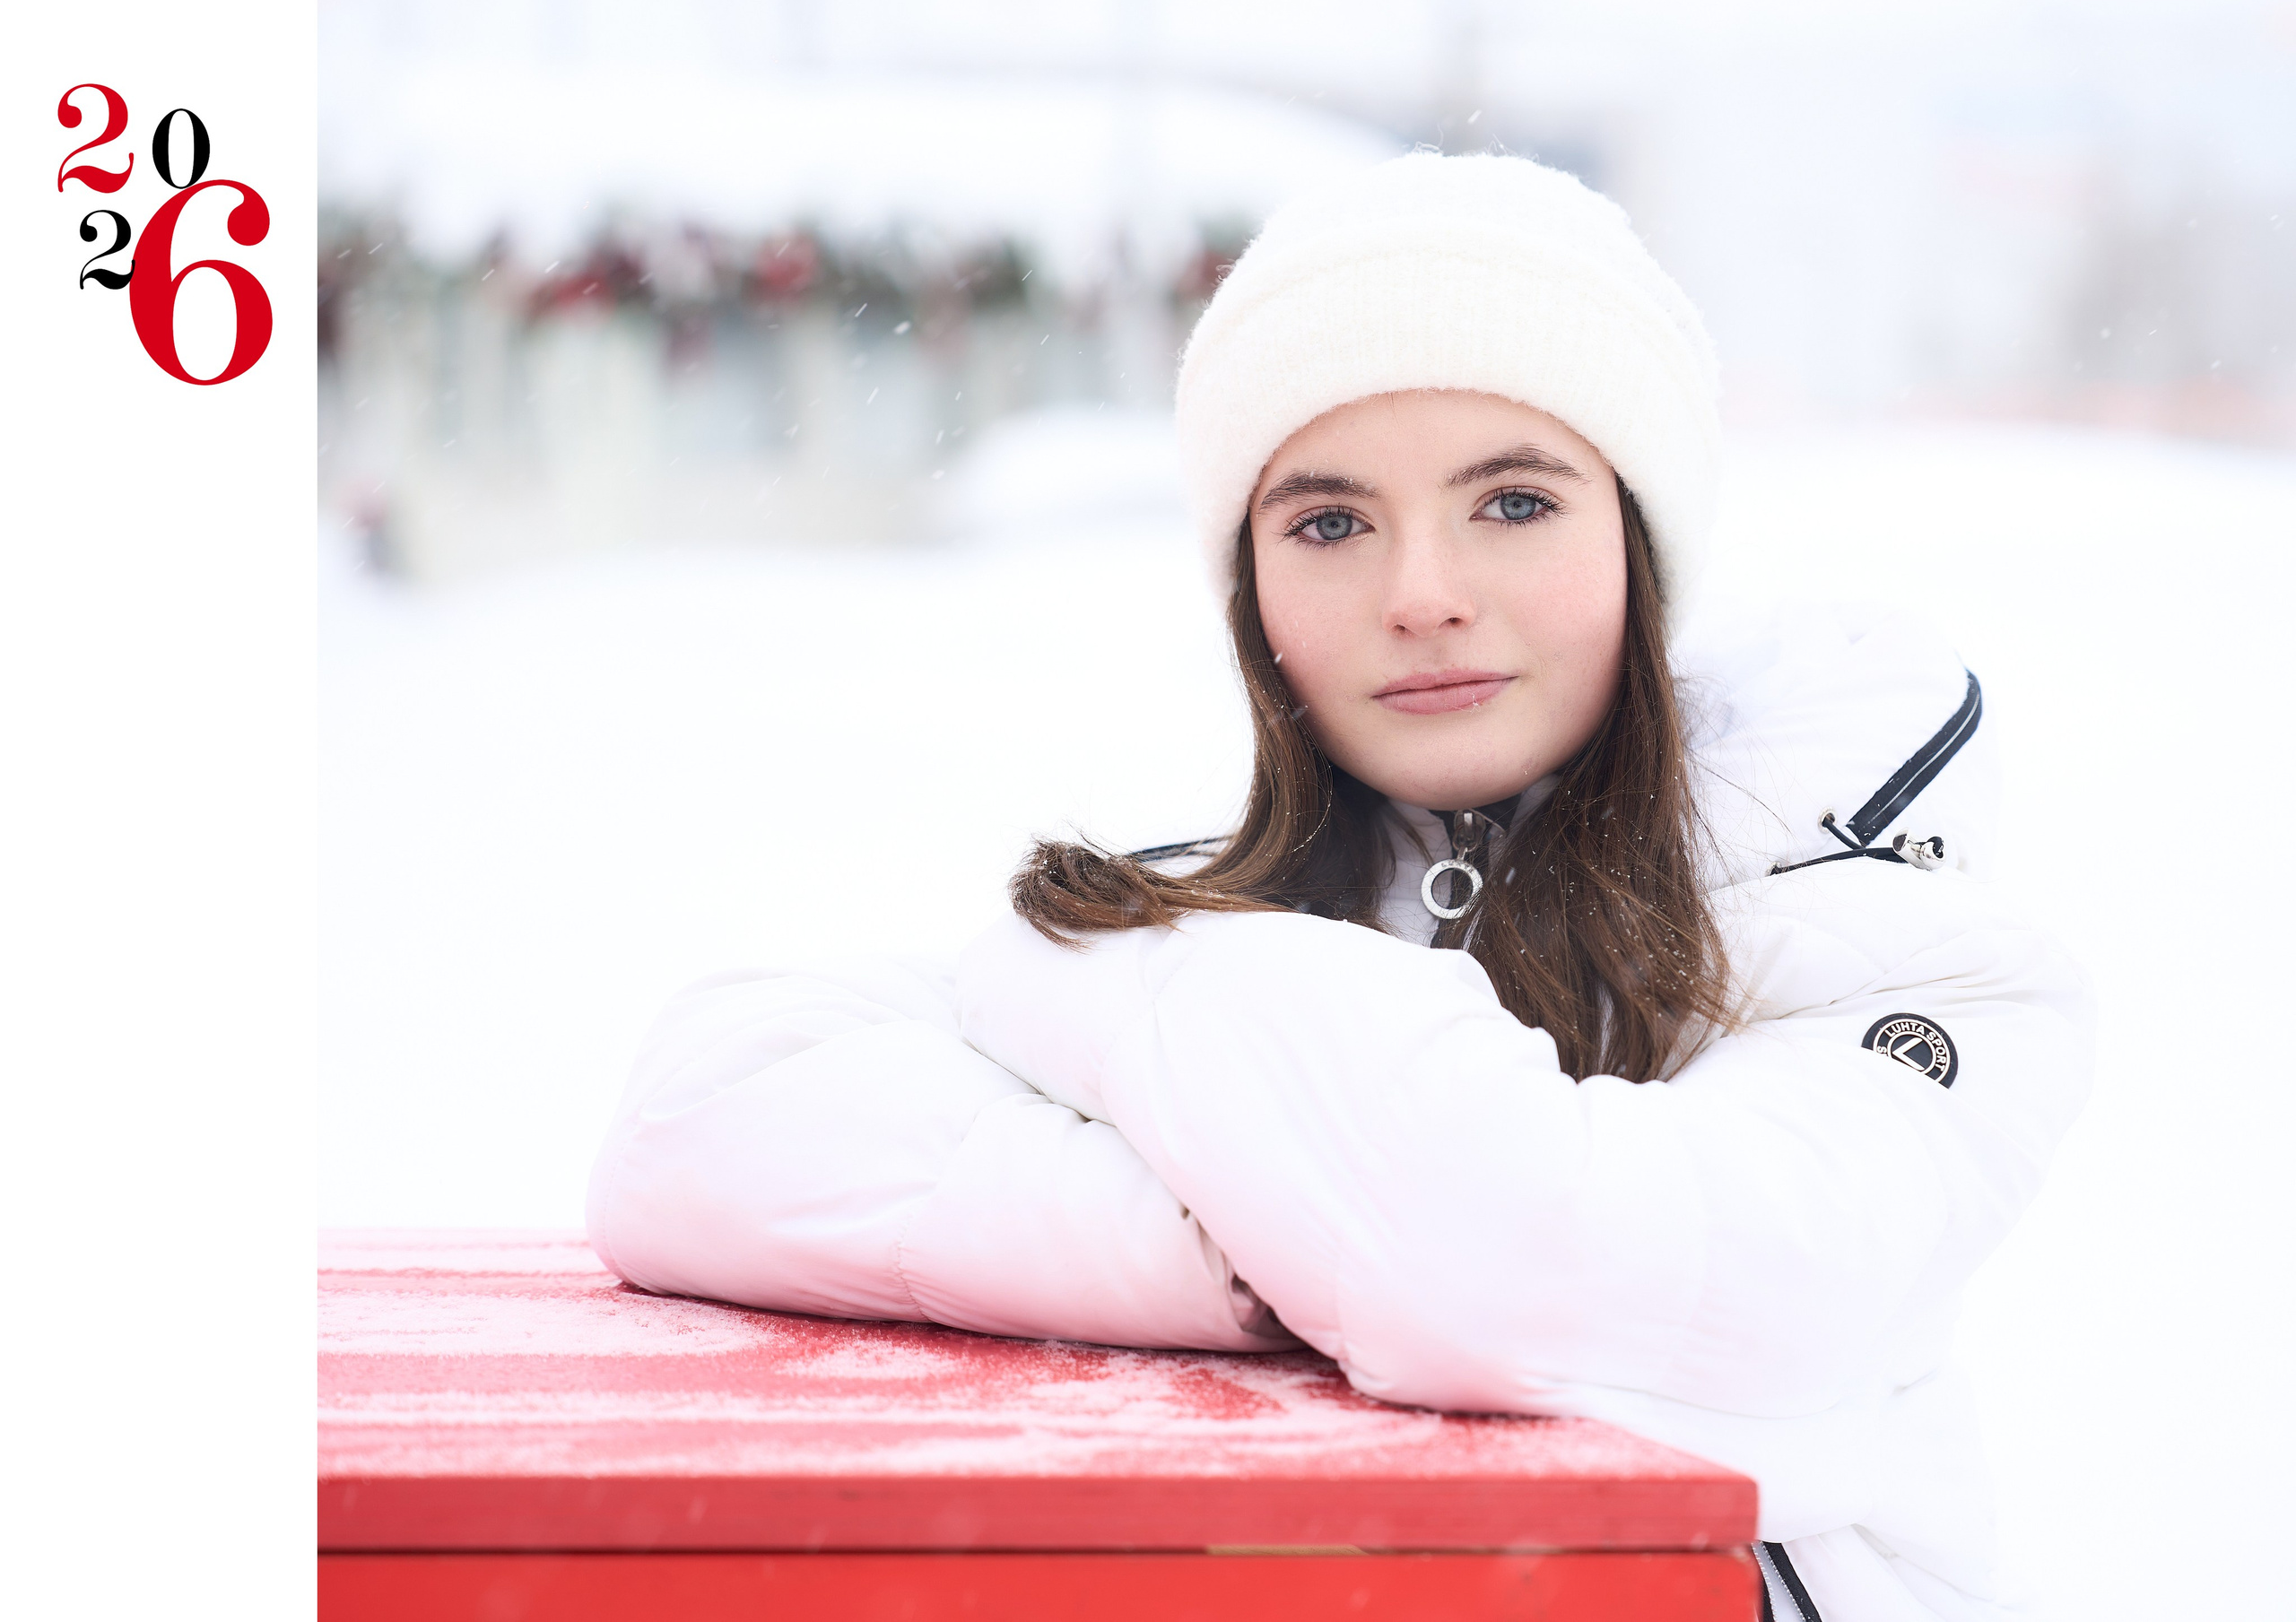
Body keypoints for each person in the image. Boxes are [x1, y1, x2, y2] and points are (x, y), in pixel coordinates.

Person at [586, 153, 2092, 1622]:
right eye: (1327, 522)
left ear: (1638, 541)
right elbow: (696, 1122)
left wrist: (1170, 1032)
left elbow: (1518, 1268)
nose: (1419, 590)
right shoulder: (1203, 924)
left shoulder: (1912, 961)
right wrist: (1290, 1241)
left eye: (1512, 501)